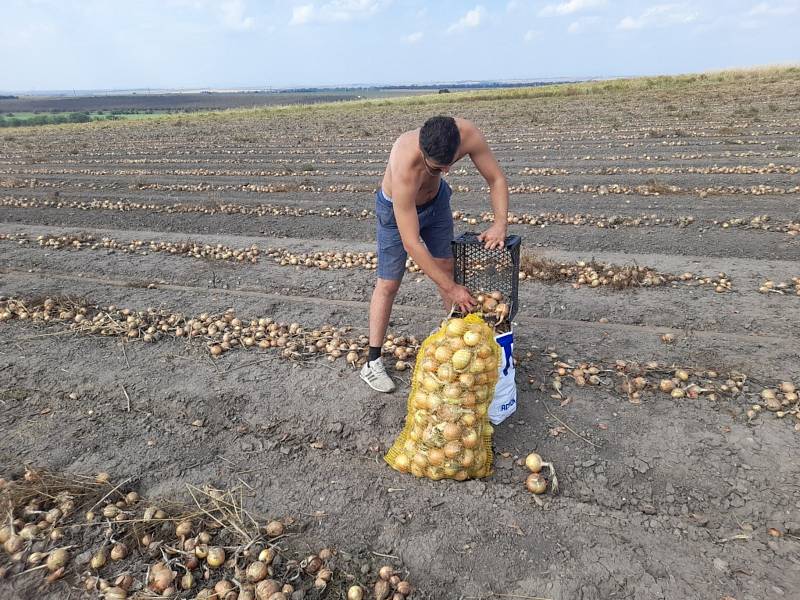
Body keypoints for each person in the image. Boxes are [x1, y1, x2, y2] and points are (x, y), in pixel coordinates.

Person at [360, 115, 509, 393]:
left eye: (450, 164)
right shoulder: (405, 163)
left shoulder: (467, 133)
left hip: (437, 201)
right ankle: (372, 361)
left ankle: (456, 344)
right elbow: (412, 242)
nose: (447, 170)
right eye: (438, 167)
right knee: (389, 283)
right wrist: (451, 289)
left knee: (444, 265)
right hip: (396, 212)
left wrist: (500, 223)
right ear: (423, 151)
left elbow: (496, 178)